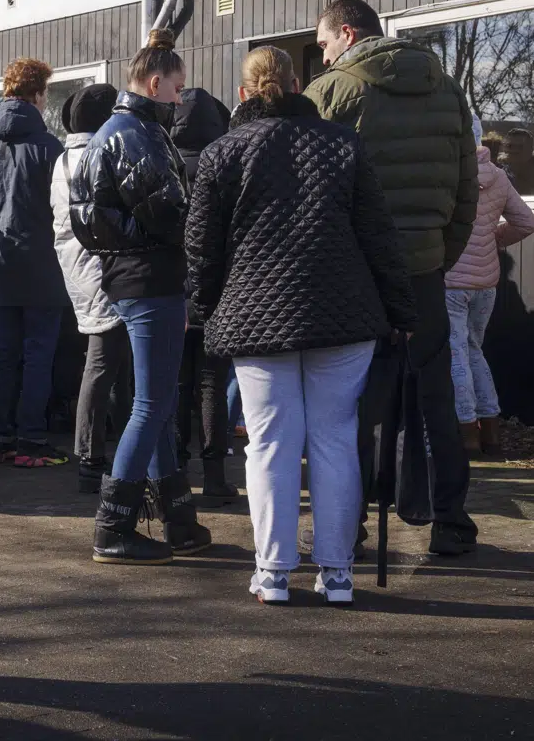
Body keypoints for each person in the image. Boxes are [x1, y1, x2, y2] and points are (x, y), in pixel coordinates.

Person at [186, 45, 415, 606]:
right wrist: (402, 312)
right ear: (298, 85)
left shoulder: (223, 153)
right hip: (343, 314)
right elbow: (379, 237)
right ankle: (336, 574)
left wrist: (204, 308)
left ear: (243, 93)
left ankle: (272, 573)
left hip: (255, 316)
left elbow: (202, 246)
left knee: (268, 444)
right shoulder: (343, 145)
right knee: (336, 440)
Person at [305, 0, 481, 557]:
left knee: (349, 402)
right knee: (435, 396)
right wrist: (437, 256)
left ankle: (345, 525)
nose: (324, 55)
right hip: (425, 271)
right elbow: (466, 190)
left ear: (348, 34)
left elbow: (310, 189)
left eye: (325, 44)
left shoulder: (333, 92)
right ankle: (451, 521)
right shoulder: (448, 88)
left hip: (357, 274)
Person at [69, 29, 210, 565]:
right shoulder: (138, 135)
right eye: (177, 88)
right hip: (148, 277)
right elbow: (172, 213)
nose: (181, 98)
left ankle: (177, 518)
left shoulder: (119, 131)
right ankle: (113, 527)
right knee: (151, 403)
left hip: (132, 276)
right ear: (156, 84)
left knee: (155, 401)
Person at [0, 58, 71, 468]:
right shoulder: (49, 148)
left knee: (3, 355)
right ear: (36, 95)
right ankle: (30, 439)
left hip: (2, 265)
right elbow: (64, 209)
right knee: (38, 355)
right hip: (44, 266)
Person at [49, 83, 126, 494]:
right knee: (103, 367)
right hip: (104, 272)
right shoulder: (100, 156)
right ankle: (91, 459)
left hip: (81, 273)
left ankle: (96, 456)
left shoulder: (65, 159)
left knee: (105, 366)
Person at [445, 116, 534, 456]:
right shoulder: (498, 176)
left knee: (455, 356)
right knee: (474, 351)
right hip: (486, 283)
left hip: (452, 282)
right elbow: (526, 222)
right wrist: (492, 240)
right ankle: (491, 433)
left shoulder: (449, 178)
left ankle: (467, 434)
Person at [169, 87, 239, 507]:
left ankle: (177, 469)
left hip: (174, 291)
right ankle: (215, 474)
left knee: (177, 383)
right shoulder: (227, 165)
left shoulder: (166, 161)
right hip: (218, 291)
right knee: (213, 383)